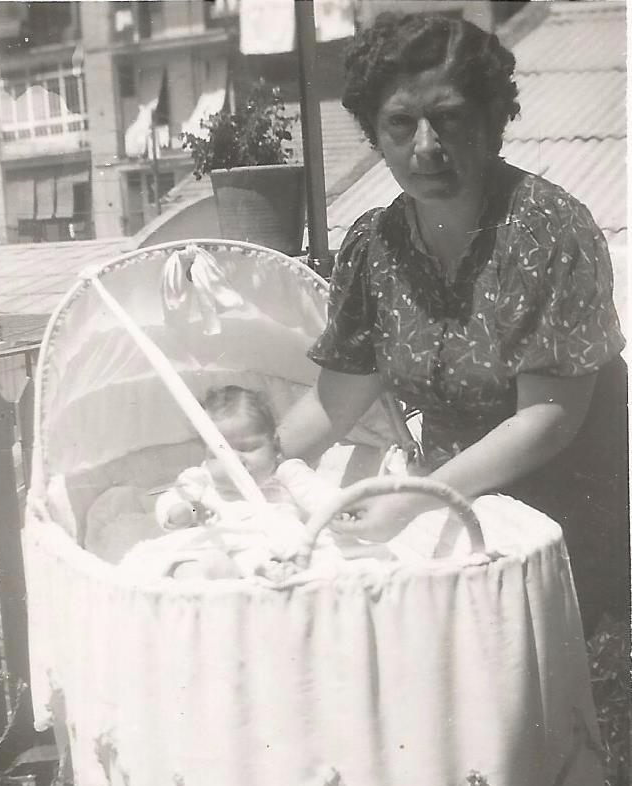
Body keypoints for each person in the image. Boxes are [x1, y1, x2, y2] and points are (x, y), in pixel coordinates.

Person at [277, 12, 628, 637]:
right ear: (375, 133)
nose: (427, 147)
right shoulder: (375, 248)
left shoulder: (551, 232)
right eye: (401, 124)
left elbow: (546, 423)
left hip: (559, 543)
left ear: (493, 122)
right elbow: (333, 405)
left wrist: (413, 501)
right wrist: (256, 456)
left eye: (451, 117)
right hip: (447, 530)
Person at [155, 385, 340, 578]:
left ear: (274, 445)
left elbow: (318, 493)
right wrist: (188, 511)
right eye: (219, 452)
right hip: (218, 543)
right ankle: (207, 586)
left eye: (248, 448)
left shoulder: (286, 472)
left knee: (304, 552)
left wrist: (339, 508)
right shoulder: (201, 478)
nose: (234, 460)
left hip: (271, 545)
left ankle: (269, 572)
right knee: (186, 563)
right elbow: (176, 498)